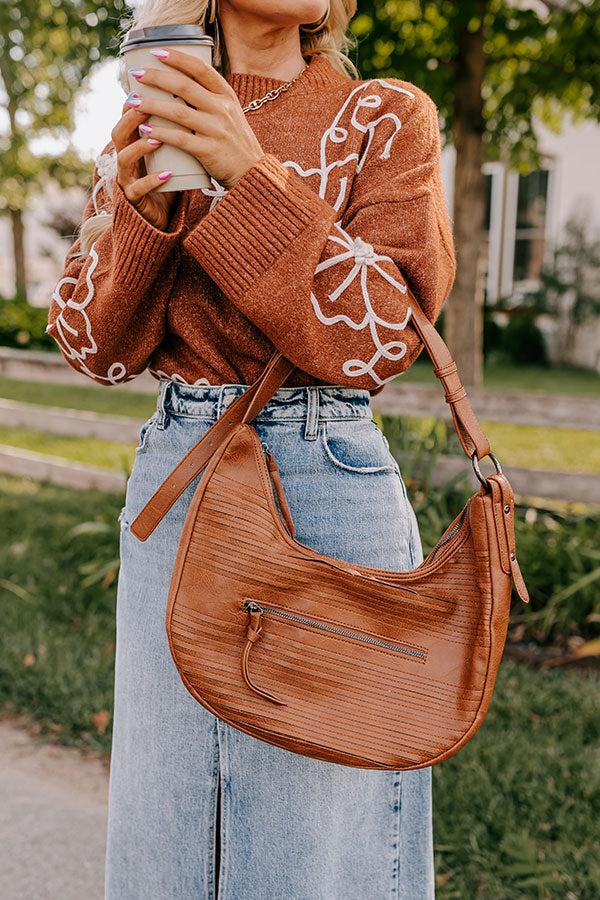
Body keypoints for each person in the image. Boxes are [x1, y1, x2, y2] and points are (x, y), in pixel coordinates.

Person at [47, 1, 456, 897]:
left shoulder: (383, 116)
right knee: (170, 836)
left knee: (314, 844)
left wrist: (247, 173)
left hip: (328, 481)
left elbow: (380, 336)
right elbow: (88, 344)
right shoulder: (155, 116)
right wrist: (139, 219)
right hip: (178, 476)